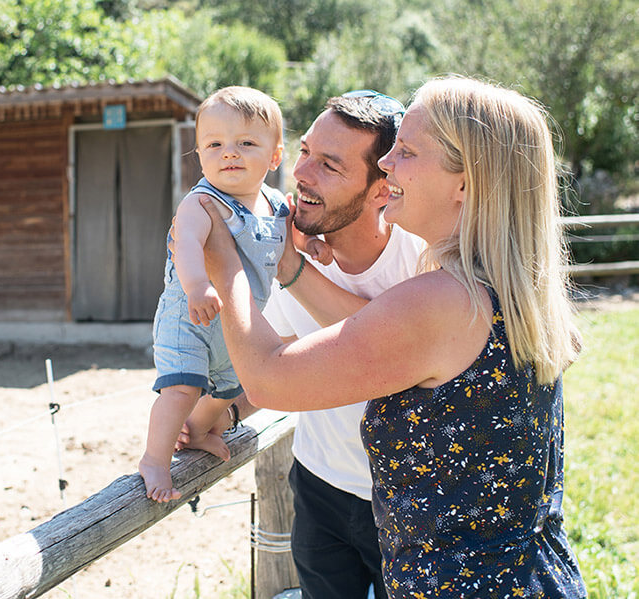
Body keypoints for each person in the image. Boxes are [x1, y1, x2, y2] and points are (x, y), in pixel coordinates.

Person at [198, 76, 587, 597]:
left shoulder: (443, 301)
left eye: (406, 151)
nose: (386, 165)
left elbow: (270, 380)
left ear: (465, 184)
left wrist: (225, 266)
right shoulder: (506, 287)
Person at [180, 90, 423, 599]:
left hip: (404, 501)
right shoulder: (284, 244)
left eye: (329, 165)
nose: (302, 174)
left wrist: (287, 271)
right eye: (305, 151)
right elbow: (280, 358)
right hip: (319, 486)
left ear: (384, 189)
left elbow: (390, 345)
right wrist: (210, 417)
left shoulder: (422, 259)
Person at [139, 86, 289, 503]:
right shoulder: (204, 202)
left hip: (236, 323)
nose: (230, 153)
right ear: (200, 154)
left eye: (246, 143)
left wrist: (315, 245)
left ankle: (200, 431)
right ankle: (154, 458)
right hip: (190, 313)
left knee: (225, 390)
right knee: (183, 389)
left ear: (274, 156)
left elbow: (289, 245)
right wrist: (197, 285)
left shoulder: (276, 206)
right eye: (215, 144)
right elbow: (186, 242)